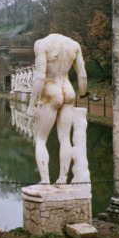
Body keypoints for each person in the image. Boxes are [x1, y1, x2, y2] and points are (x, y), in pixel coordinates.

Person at [27, 33, 87, 184]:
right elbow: (82, 74)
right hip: (68, 90)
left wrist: (31, 104)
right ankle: (62, 178)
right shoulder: (74, 45)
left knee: (40, 139)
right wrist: (83, 93)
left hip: (51, 90)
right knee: (65, 139)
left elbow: (40, 76)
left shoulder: (42, 44)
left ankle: (45, 180)